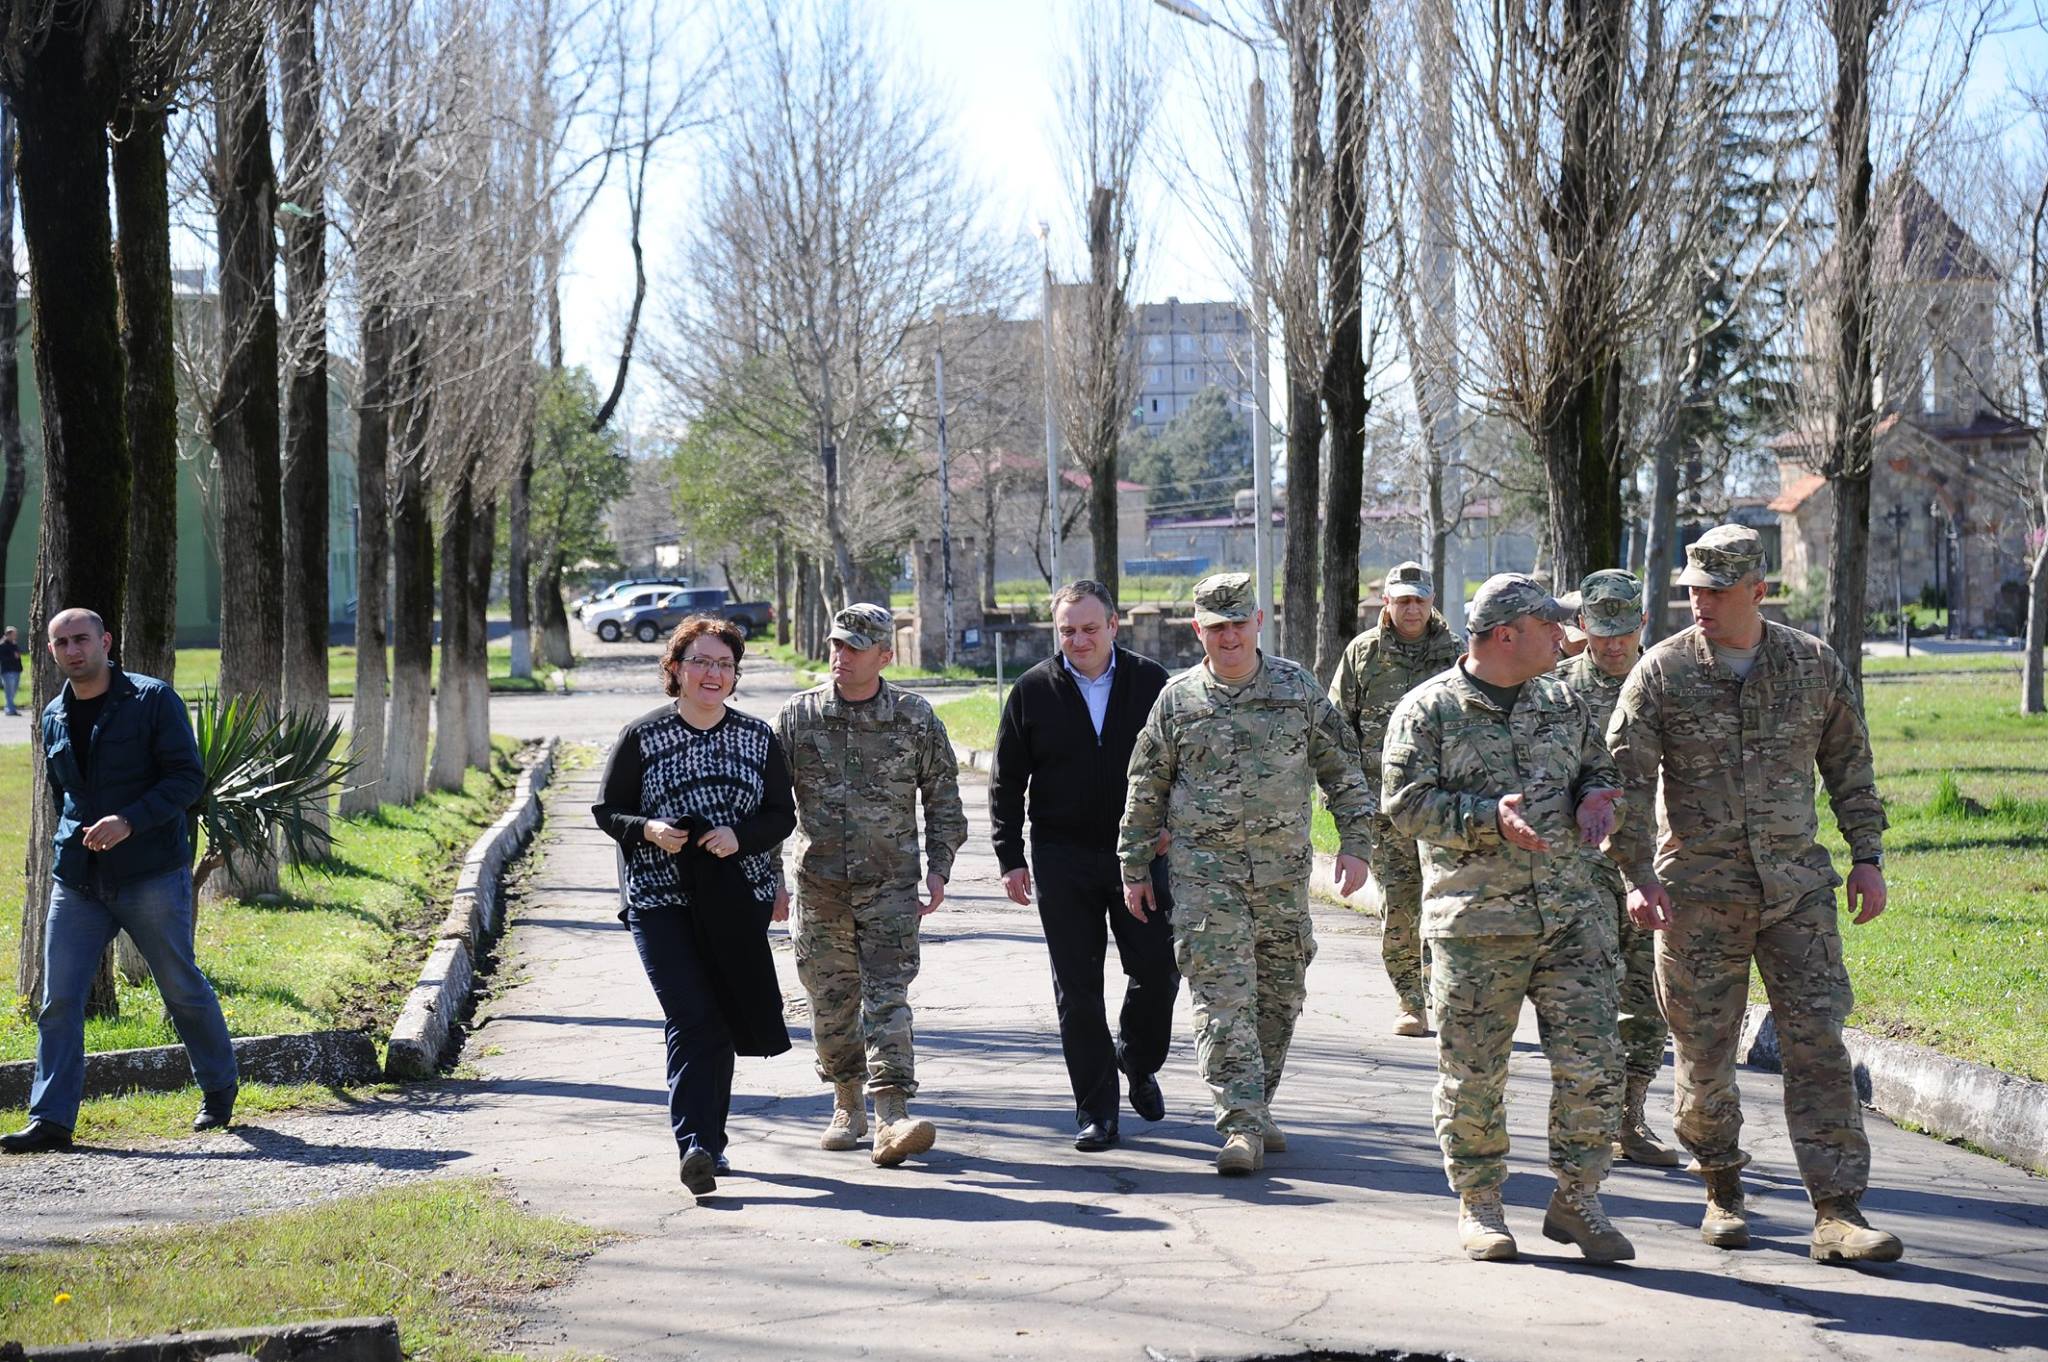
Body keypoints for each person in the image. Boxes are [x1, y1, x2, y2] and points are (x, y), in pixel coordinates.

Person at [1607, 524, 1902, 1263]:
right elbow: (1626, 784)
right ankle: (1721, 1187)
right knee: (1704, 1055)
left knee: (1819, 1047)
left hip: (1795, 893)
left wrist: (1867, 856)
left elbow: (1850, 766)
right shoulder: (1662, 672)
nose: (1699, 603)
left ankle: (1837, 1211)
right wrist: (1635, 877)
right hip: (1697, 896)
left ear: (1757, 591)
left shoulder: (1811, 666)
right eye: (1693, 591)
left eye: (1715, 590)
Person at [1382, 573, 1632, 1263]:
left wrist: (1597, 797)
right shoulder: (1427, 710)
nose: (1566, 636)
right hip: (1476, 925)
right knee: (1474, 1075)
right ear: (1506, 635)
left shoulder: (1563, 699)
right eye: (1552, 625)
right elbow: (1403, 804)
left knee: (1593, 1064)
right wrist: (1487, 818)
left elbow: (1596, 764)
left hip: (1572, 916)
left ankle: (1579, 1198)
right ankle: (1481, 1201)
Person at [1118, 572, 1373, 1176]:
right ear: (1197, 631)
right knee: (1223, 1001)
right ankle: (1239, 1125)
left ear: (1259, 622)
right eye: (1215, 627)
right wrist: (1133, 865)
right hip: (1206, 879)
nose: (1228, 637)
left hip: (1283, 877)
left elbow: (1342, 768)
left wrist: (1356, 843)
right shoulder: (1177, 700)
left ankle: (1255, 1105)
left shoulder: (1298, 691)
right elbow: (1145, 786)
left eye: (1238, 624)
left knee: (1280, 999)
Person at [3, 608, 235, 1154]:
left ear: (105, 641)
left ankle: (219, 1087)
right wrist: (72, 841)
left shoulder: (152, 700)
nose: (71, 650)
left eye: (81, 639)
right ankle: (52, 1120)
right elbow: (64, 797)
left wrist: (129, 821)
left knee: (179, 985)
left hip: (150, 872)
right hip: (79, 881)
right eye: (60, 643)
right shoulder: (54, 715)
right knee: (59, 999)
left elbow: (187, 777)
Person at [592, 615, 796, 1198]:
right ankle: (696, 1145)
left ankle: (712, 1142)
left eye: (724, 665)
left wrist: (741, 836)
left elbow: (782, 816)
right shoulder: (642, 736)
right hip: (661, 898)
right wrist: (649, 828)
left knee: (722, 1018)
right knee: (692, 1014)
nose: (713, 673)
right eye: (701, 662)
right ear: (676, 669)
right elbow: (608, 811)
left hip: (739, 897)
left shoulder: (757, 737)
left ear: (735, 676)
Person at [778, 603, 968, 1167]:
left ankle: (891, 1113)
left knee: (888, 998)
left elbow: (944, 798)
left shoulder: (913, 718)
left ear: (885, 656)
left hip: (890, 886)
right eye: (837, 644)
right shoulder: (799, 716)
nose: (842, 655)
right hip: (819, 888)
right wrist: (769, 881)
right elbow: (768, 807)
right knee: (831, 1004)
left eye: (855, 647)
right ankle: (846, 1104)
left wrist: (939, 868)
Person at [990, 581, 1178, 1152]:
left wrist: (1171, 825)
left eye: (1090, 628)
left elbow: (1184, 761)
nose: (1079, 640)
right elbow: (1006, 781)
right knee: (1077, 989)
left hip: (1140, 857)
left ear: (1114, 626)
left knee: (1158, 973)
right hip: (1061, 857)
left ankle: (1137, 1059)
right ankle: (1097, 1111)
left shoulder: (1152, 683)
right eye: (1067, 630)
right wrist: (1009, 856)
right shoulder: (1032, 690)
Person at [1555, 569, 1680, 1168]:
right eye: (1600, 632)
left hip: (1651, 865)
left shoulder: (1669, 685)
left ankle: (1630, 1117)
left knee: (1645, 996)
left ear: (1642, 624)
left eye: (1623, 631)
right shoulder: (1554, 692)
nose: (1612, 645)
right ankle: (1588, 1121)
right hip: (1578, 872)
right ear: (1581, 626)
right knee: (1585, 1002)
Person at [1327, 561, 1462, 1037]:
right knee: (1401, 909)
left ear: (1432, 601)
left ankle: (1448, 997)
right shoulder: (1363, 654)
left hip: (1447, 810)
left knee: (1449, 908)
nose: (1411, 608)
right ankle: (1411, 999)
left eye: (1419, 600)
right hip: (1386, 811)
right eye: (1402, 599)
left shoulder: (1456, 654)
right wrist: (1351, 802)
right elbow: (1339, 731)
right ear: (1387, 602)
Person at [2, 625, 24, 716]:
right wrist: (12, 656)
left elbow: (18, 657)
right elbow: (2, 658)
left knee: (13, 691)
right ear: (8, 635)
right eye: (14, 634)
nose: (15, 636)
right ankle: (11, 710)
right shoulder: (2, 645)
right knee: (9, 691)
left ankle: (8, 707)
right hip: (7, 671)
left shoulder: (14, 644)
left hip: (16, 670)